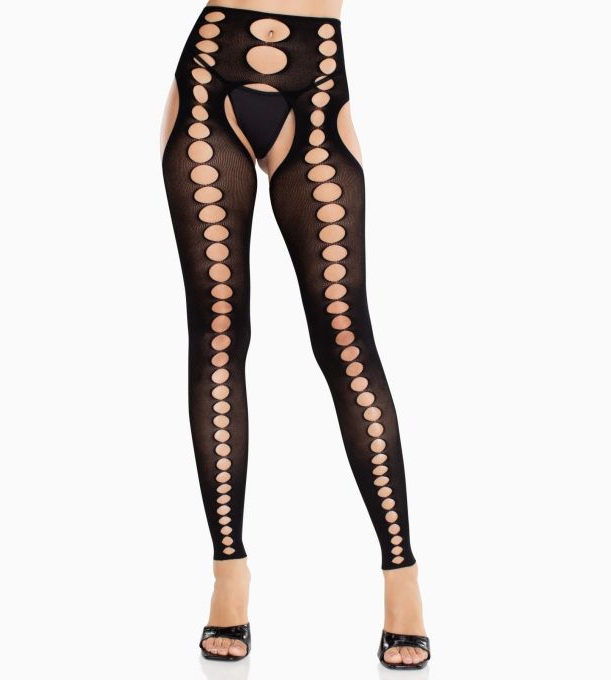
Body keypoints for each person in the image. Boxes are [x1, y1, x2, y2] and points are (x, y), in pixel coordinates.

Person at [159, 0, 430, 669]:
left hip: (316, 77)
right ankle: (228, 570)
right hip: (210, 68)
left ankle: (402, 573)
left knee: (346, 337)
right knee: (217, 334)